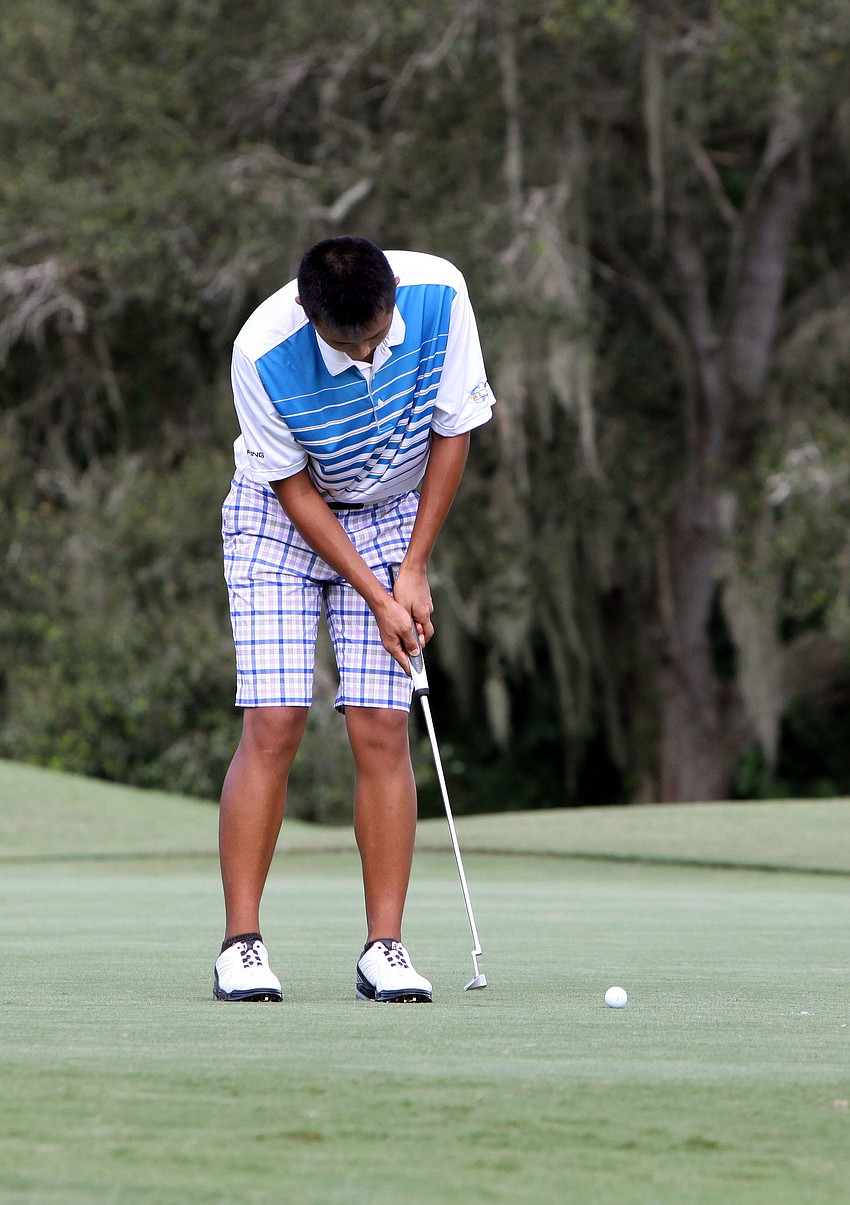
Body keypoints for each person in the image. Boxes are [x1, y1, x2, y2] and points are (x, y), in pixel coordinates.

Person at [214, 236, 495, 1003]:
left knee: (380, 722)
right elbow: (293, 489)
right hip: (280, 524)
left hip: (391, 517)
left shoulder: (440, 291)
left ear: (393, 296)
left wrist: (413, 565)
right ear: (308, 315)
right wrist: (376, 594)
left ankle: (386, 948)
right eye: (349, 345)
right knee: (274, 719)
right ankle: (241, 945)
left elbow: (453, 428)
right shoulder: (261, 349)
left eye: (377, 336)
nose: (370, 355)